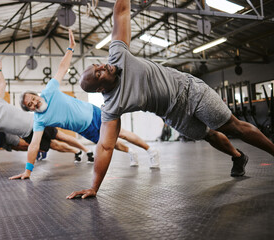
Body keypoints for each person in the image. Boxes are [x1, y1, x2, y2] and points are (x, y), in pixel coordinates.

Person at [67, 0, 274, 199]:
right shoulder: (112, 106)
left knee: (232, 126)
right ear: (100, 88)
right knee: (209, 135)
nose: (103, 67)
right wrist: (94, 187)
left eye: (98, 65)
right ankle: (238, 157)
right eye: (98, 74)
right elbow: (105, 146)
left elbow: (120, 11)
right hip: (173, 115)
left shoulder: (117, 55)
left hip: (189, 90)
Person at [8, 29, 159, 181]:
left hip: (93, 114)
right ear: (30, 109)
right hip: (85, 130)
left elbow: (62, 68)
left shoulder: (49, 91)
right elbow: (34, 145)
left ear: (36, 95)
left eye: (33, 98)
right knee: (111, 144)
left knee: (122, 133)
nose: (34, 102)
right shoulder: (40, 120)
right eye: (30, 104)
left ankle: (150, 150)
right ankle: (130, 152)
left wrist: (71, 47)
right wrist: (28, 171)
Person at [0, 58, 89, 172]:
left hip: (36, 122)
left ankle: (87, 150)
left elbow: (2, 85)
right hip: (28, 135)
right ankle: (76, 151)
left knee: (61, 137)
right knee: (54, 145)